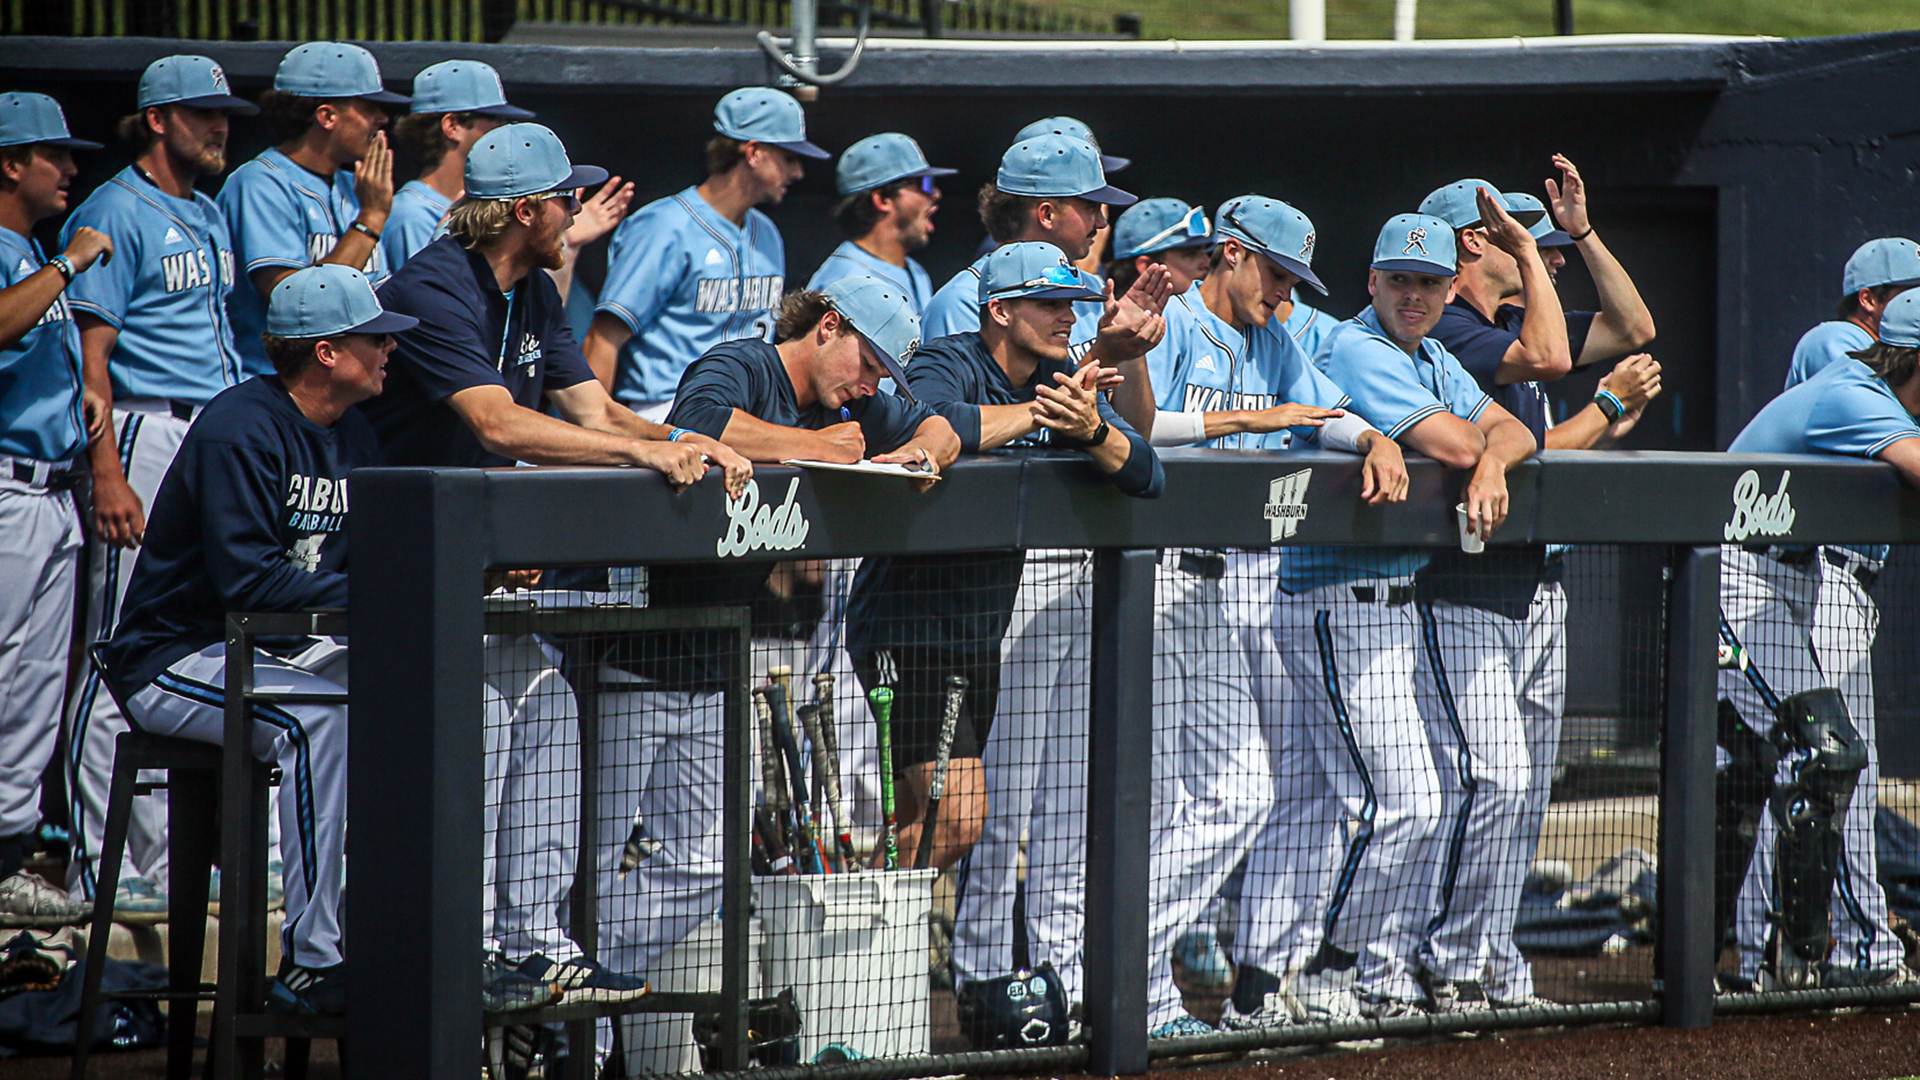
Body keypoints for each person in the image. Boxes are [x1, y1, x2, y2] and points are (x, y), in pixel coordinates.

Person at [369, 124, 745, 1002]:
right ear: (524, 211)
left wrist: (688, 439)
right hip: (392, 567)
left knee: (550, 711)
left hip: (481, 566)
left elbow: (595, 412)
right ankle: (462, 947)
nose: (577, 211)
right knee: (486, 733)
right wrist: (642, 455)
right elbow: (498, 424)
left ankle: (532, 942)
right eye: (566, 199)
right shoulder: (432, 285)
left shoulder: (535, 289)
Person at [589, 276, 955, 989]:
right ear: (829, 325)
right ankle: (569, 1013)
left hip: (715, 662)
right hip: (629, 652)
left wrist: (921, 452)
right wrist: (815, 445)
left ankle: (598, 991)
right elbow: (699, 425)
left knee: (707, 867)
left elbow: (940, 424)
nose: (871, 384)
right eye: (868, 363)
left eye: (883, 375)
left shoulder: (847, 402)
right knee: (590, 856)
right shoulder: (742, 362)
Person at [1115, 195, 1410, 1033]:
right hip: (1148, 577)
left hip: (1220, 587)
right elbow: (1134, 430)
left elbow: (1324, 411)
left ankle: (1125, 966)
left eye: (1293, 283)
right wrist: (1250, 417)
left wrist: (1373, 438)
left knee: (1242, 795)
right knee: (1148, 802)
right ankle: (1117, 981)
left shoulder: (1274, 339)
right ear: (1233, 254)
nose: (1284, 295)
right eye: (1277, 275)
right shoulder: (1169, 320)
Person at [97, 265, 417, 1013]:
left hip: (267, 648)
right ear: (327, 353)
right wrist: (389, 592)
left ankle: (385, 935)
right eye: (376, 338)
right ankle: (311, 960)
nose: (390, 350)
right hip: (173, 653)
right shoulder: (238, 426)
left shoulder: (355, 432)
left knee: (405, 696)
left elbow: (368, 562)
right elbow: (250, 584)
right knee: (318, 721)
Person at [1245, 214, 1536, 1022]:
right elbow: (1455, 442)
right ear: (1372, 282)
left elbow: (1511, 430)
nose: (1414, 296)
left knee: (1321, 806)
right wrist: (1480, 457)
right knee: (1402, 803)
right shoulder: (1356, 346)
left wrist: (1494, 460)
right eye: (1399, 280)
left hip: (1390, 604)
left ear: (1449, 289)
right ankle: (1333, 973)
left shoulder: (1435, 355)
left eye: (1429, 283)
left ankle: (1264, 986)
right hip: (1333, 598)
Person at [1408, 177, 1659, 1013]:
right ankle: (1443, 960)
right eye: (1526, 239)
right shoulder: (1446, 326)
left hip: (1538, 585)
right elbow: (1544, 407)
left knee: (1524, 794)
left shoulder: (1518, 320)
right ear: (1472, 241)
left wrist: (1583, 234)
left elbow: (1635, 328)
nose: (1546, 257)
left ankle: (1491, 961)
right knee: (1489, 783)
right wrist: (1606, 406)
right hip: (1466, 583)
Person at [58, 55, 255, 921]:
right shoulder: (113, 208)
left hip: (204, 429)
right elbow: (89, 357)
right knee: (122, 644)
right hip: (142, 426)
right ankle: (102, 865)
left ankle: (165, 860)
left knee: (189, 640)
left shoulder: (206, 209)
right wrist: (105, 470)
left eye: (224, 111)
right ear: (157, 119)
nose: (220, 125)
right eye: (202, 112)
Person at [1722, 239, 1920, 992]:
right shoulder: (1851, 383)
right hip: (1737, 576)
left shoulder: (1879, 388)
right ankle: (1789, 954)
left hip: (1792, 577)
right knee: (1816, 754)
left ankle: (1791, 956)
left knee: (1824, 761)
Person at [0, 91, 107, 930]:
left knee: (37, 687)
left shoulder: (31, 251)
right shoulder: (35, 257)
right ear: (10, 163)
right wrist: (69, 264)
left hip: (51, 491)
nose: (70, 169)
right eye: (55, 154)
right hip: (5, 488)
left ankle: (8, 861)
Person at [584, 87, 828, 420]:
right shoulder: (664, 226)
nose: (798, 172)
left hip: (748, 412)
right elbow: (603, 338)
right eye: (789, 158)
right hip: (666, 410)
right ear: (754, 152)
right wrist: (595, 429)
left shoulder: (767, 233)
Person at [218, 41, 406, 375]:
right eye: (368, 107)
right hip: (276, 385)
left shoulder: (356, 187)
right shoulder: (260, 184)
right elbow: (294, 300)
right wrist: (370, 219)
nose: (382, 119)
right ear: (327, 116)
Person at [382, 59, 633, 300]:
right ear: (453, 126)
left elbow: (539, 317)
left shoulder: (494, 205)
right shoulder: (410, 215)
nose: (504, 129)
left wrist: (566, 241)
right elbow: (432, 305)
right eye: (494, 119)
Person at [806, 132, 954, 311]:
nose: (935, 194)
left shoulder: (916, 271)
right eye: (924, 183)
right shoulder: (843, 283)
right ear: (883, 199)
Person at [1104, 197, 1210, 299]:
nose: (1207, 263)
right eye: (1190, 254)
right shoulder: (1103, 310)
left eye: (1205, 251)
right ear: (1147, 266)